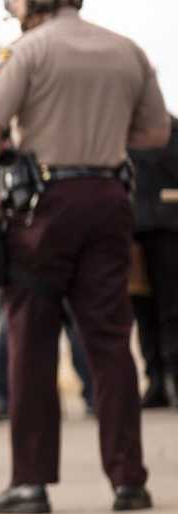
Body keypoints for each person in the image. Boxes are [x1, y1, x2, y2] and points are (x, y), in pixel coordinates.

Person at [0, 0, 170, 514]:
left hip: (46, 207)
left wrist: (18, 152)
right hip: (109, 198)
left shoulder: (26, 51)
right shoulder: (126, 49)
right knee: (109, 338)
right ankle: (129, 480)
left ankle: (31, 484)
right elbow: (155, 134)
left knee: (31, 339)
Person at [129, 115, 178, 409]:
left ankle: (172, 376)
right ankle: (156, 379)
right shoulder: (122, 130)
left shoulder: (171, 131)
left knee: (170, 308)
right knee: (143, 309)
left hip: (167, 229)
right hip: (135, 231)